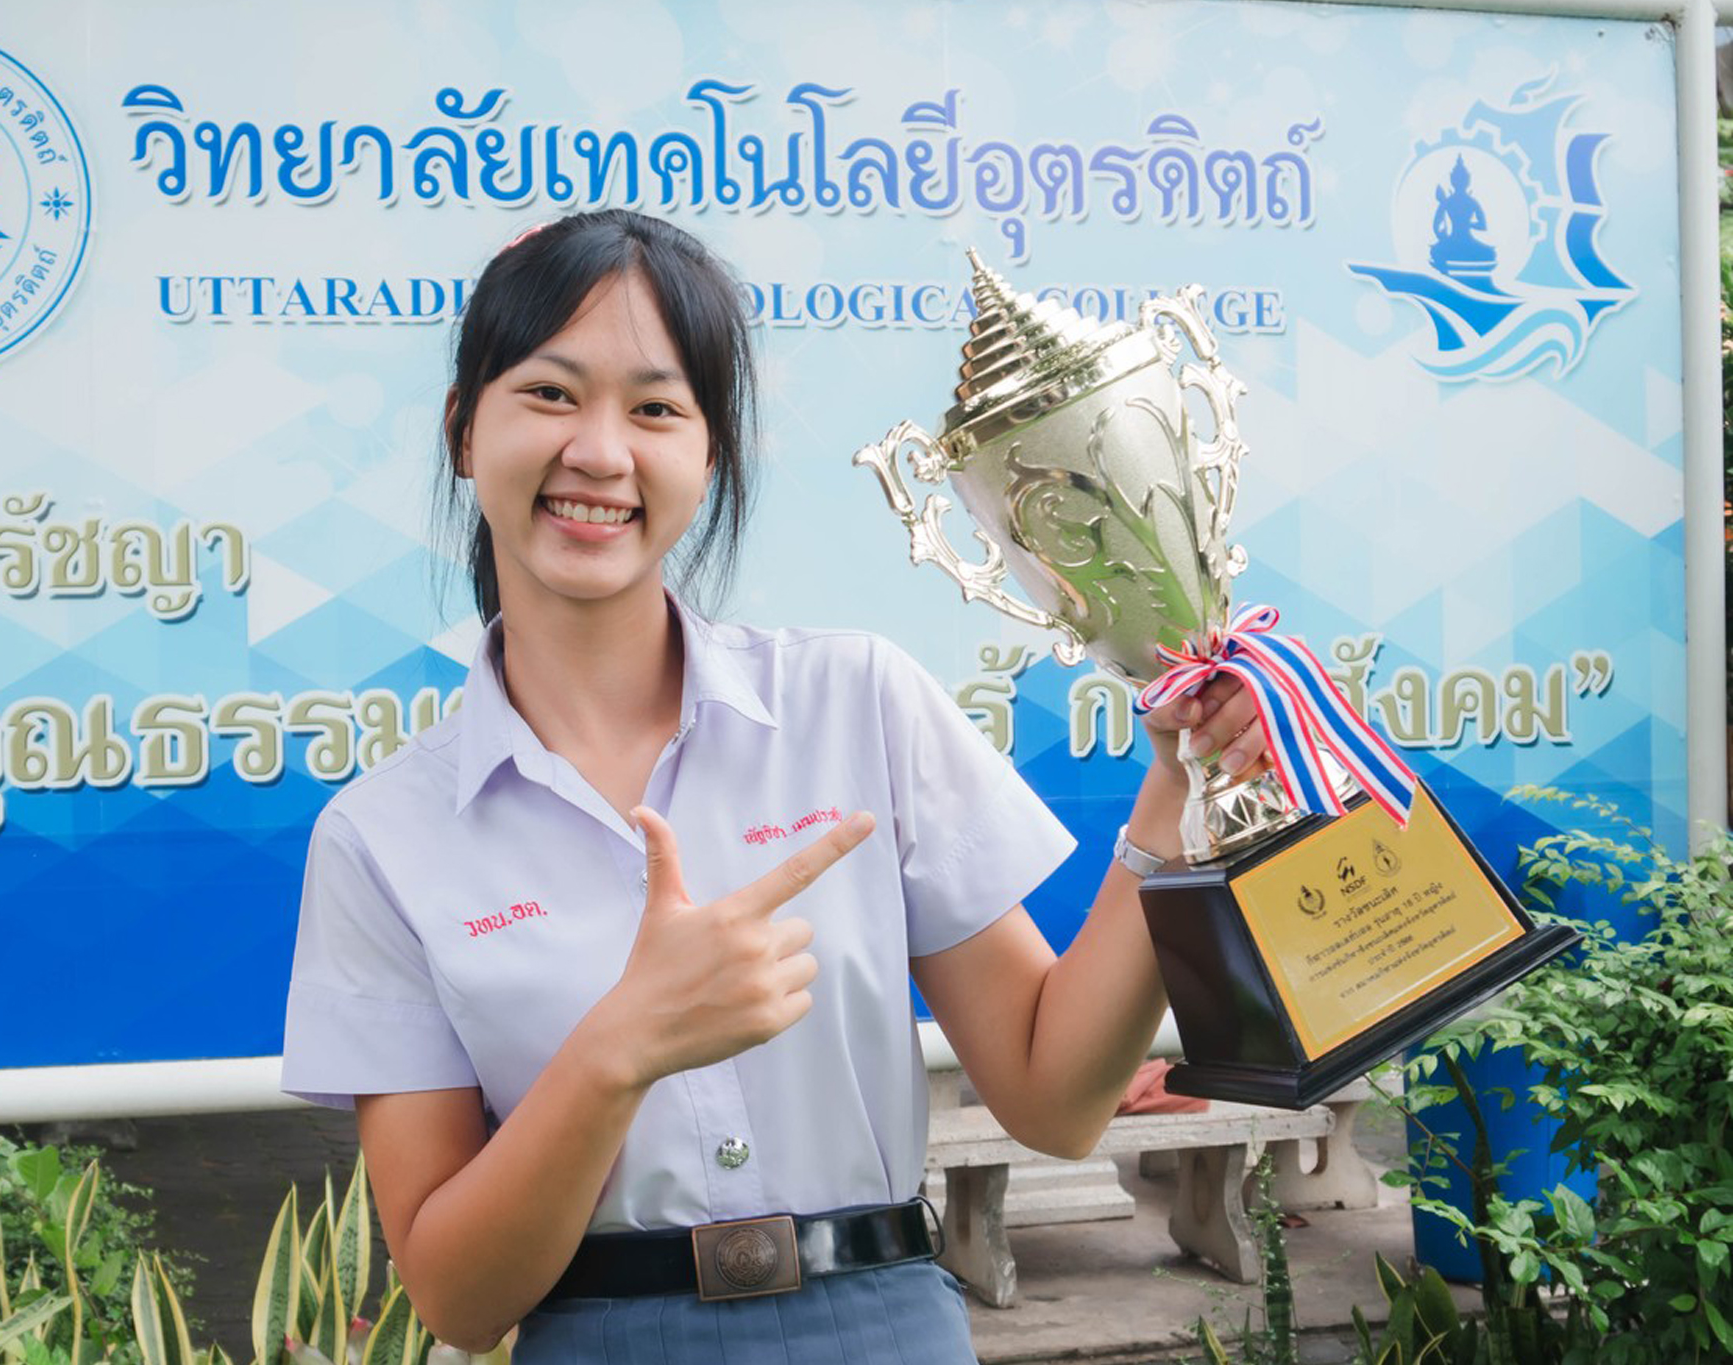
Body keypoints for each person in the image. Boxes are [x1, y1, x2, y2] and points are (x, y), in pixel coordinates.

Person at [280, 209, 1270, 1363]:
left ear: (709, 459)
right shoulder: (381, 839)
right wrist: (621, 1047)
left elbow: (1052, 1101)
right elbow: (456, 1298)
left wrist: (1177, 796)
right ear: (463, 429)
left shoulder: (856, 702)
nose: (600, 452)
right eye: (549, 393)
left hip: (886, 1324)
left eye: (655, 409)